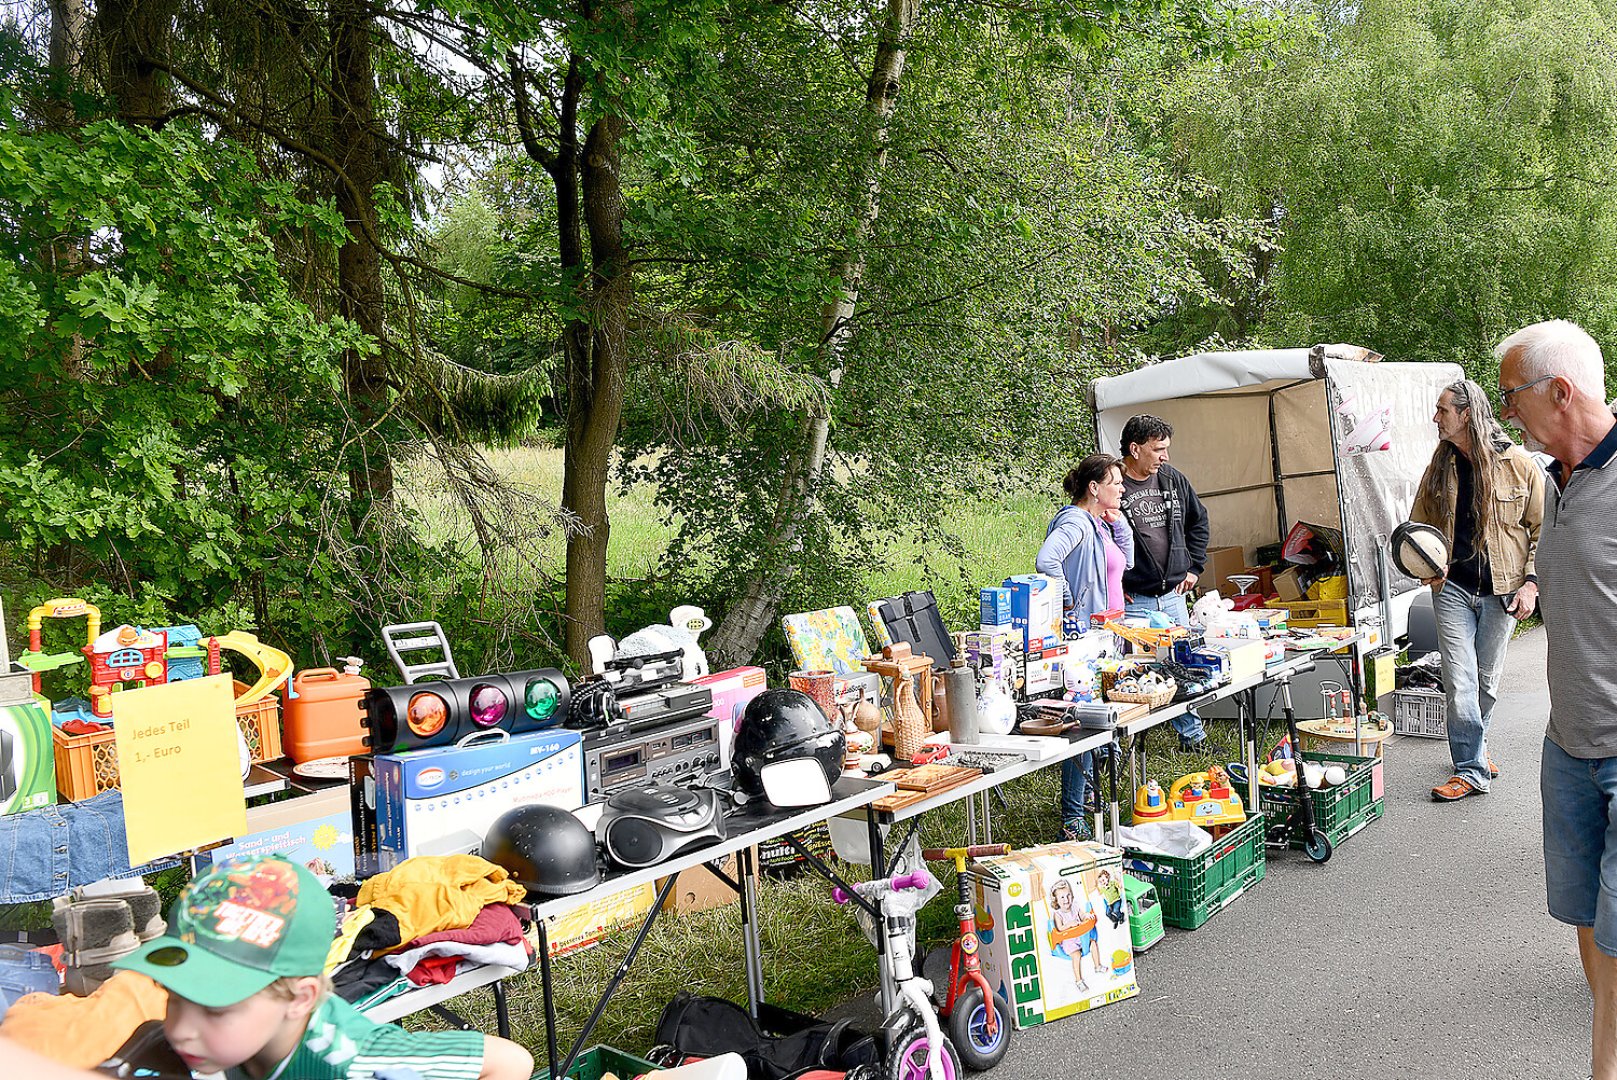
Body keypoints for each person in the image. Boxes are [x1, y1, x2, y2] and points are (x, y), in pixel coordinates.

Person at [111, 854, 533, 1080]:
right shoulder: (210, 1040)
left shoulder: (356, 1064)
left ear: (301, 997)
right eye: (175, 997)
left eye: (216, 1007)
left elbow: (511, 1062)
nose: (180, 1027)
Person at [1494, 319, 1617, 1080]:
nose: (1506, 414)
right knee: (1582, 917)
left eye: (1512, 396)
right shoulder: (1554, 478)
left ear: (1559, 392)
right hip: (1566, 745)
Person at [1410, 379, 1544, 802]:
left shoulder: (1519, 463)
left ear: (1466, 414)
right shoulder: (1441, 465)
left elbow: (1543, 529)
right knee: (1460, 681)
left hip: (1501, 592)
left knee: (1486, 682)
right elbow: (1417, 527)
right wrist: (1424, 568)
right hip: (1452, 589)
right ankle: (1469, 769)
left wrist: (1532, 583)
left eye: (1442, 410)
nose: (1436, 418)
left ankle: (1476, 747)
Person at [1037, 453, 1133, 841]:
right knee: (1083, 729)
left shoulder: (1098, 523)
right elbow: (1047, 560)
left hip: (1107, 637)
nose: (1123, 488)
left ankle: (1092, 804)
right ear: (1094, 488)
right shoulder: (1076, 521)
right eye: (1116, 483)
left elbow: (1125, 563)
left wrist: (1120, 522)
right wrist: (1068, 602)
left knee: (1098, 724)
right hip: (1084, 643)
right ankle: (1072, 819)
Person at [1116, 414, 1209, 750]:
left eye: (1166, 449)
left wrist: (1195, 567)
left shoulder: (1171, 479)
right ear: (1135, 448)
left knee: (1181, 663)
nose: (1164, 456)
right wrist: (1114, 584)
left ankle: (1193, 738)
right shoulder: (1111, 483)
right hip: (1134, 599)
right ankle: (1131, 741)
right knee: (1137, 671)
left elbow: (1199, 521)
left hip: (1172, 595)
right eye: (1158, 450)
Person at [1048, 880, 1106, 992]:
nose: (1066, 899)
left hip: (1081, 938)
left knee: (1093, 943)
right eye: (1062, 897)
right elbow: (1059, 928)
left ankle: (1097, 966)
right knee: (1077, 955)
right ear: (1056, 901)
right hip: (1069, 942)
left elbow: (1082, 915)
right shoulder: (1058, 914)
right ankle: (1079, 981)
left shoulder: (1075, 906)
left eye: (1068, 895)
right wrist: (1070, 924)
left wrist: (1087, 916)